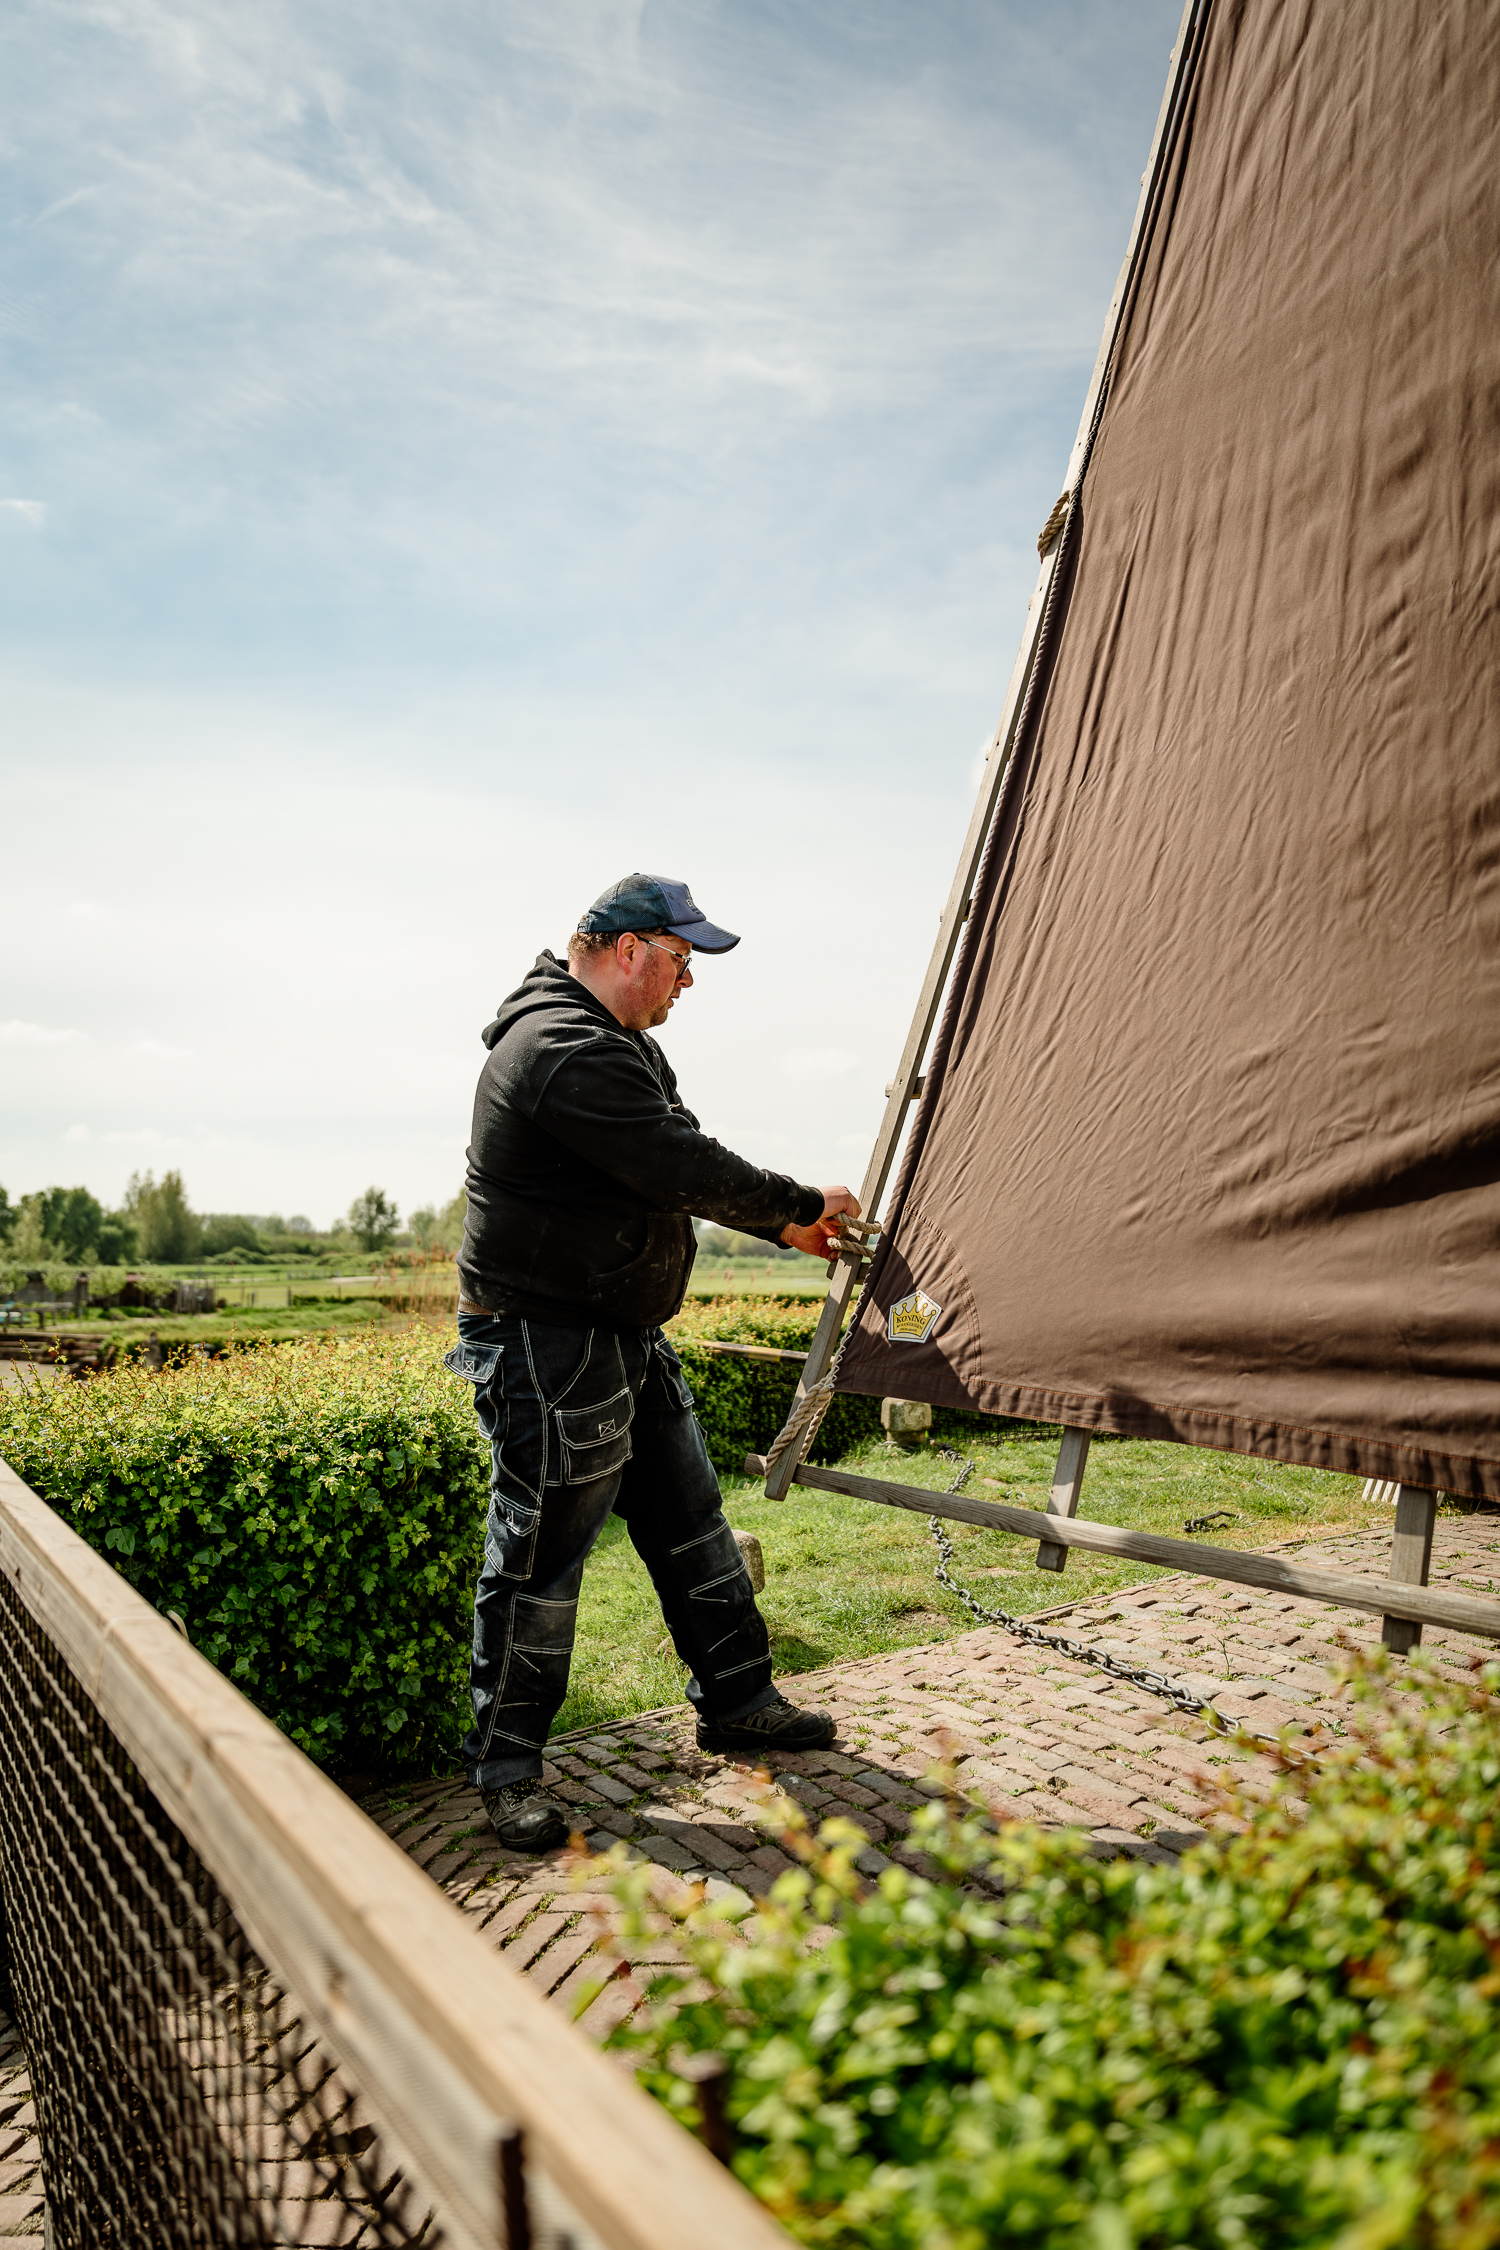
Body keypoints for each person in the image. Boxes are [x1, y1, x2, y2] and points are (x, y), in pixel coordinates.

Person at [446, 873, 860, 1850]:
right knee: (540, 1563)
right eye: (681, 960)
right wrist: (803, 1203)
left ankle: (738, 1699)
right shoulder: (558, 1048)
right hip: (548, 1349)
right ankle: (507, 1772)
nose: (687, 981)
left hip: (620, 1335)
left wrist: (784, 1234)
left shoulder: (620, 1045)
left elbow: (668, 1166)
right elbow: (683, 1168)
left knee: (691, 1525)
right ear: (628, 948)